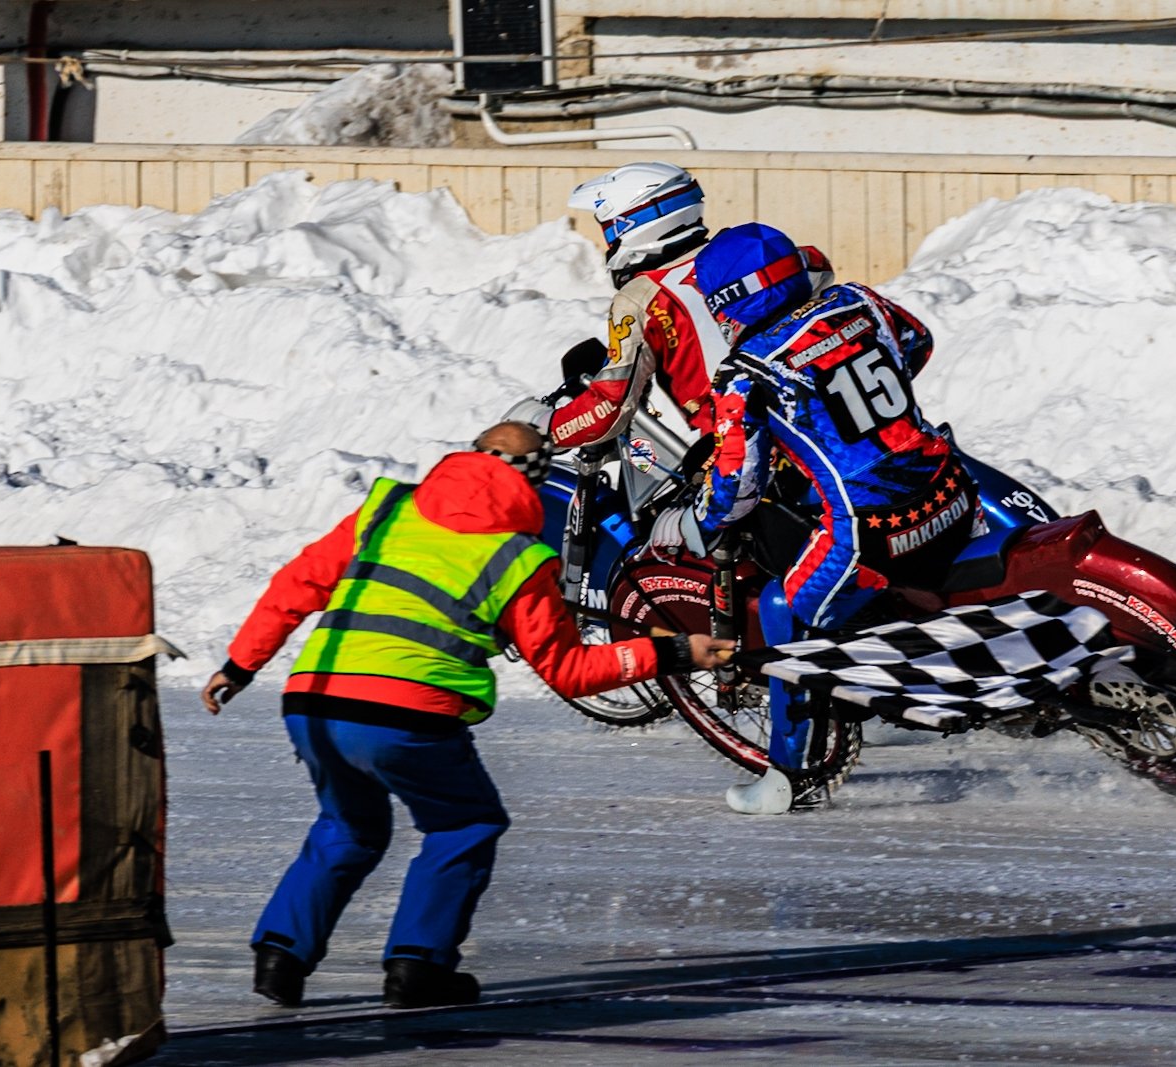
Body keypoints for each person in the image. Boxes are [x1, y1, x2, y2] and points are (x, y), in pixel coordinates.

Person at [200, 421, 731, 1009]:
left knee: (349, 828)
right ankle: (418, 967)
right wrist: (674, 652)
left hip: (313, 704)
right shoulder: (519, 557)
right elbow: (570, 671)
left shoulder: (389, 510)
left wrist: (240, 665)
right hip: (406, 714)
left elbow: (296, 583)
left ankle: (281, 955)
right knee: (463, 825)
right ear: (534, 478)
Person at [645, 223, 986, 814]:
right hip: (951, 494)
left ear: (731, 300)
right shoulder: (860, 301)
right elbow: (917, 343)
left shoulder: (746, 373)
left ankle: (792, 777)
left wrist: (687, 523)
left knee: (785, 608)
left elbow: (735, 489)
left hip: (875, 530)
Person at [509, 162, 729, 449]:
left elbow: (611, 405)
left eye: (610, 229)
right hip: (784, 422)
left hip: (735, 443)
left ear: (632, 224)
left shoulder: (641, 296)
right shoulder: (744, 254)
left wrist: (545, 427)